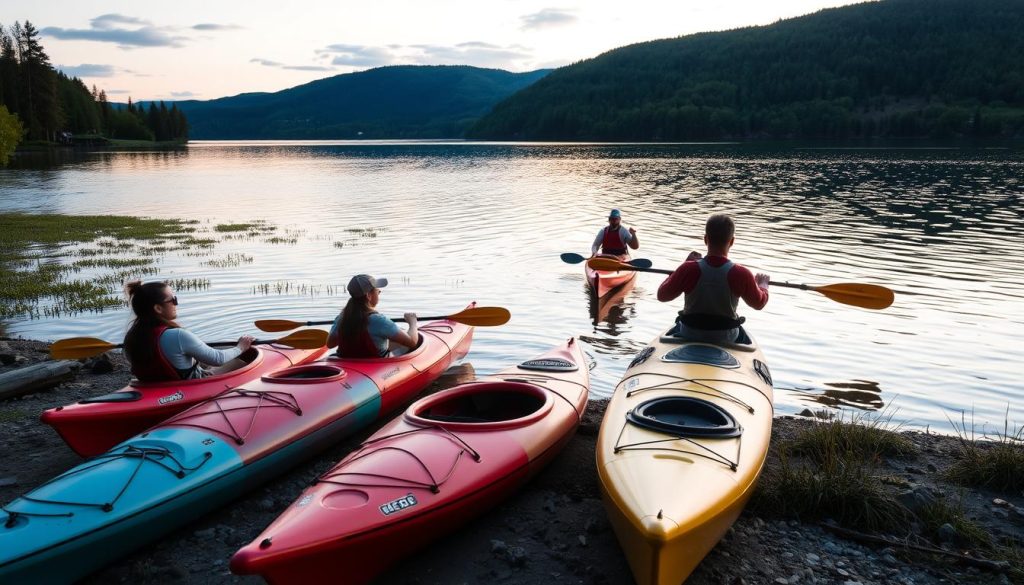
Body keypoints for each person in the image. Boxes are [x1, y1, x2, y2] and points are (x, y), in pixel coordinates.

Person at [657, 214, 770, 344]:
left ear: (705, 239)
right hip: (726, 336)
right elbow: (759, 303)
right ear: (732, 241)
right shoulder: (741, 273)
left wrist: (681, 268)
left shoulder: (688, 268)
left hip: (690, 332)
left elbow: (662, 295)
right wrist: (763, 286)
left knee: (676, 325)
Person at [123, 280, 255, 381]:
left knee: (201, 361)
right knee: (239, 362)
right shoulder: (177, 335)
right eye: (173, 300)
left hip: (154, 384)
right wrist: (240, 347)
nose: (176, 304)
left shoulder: (131, 336)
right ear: (158, 308)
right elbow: (218, 359)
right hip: (188, 385)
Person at [327, 274, 419, 358]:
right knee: (405, 344)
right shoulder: (380, 321)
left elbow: (330, 344)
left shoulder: (342, 318)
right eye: (377, 291)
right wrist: (413, 322)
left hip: (348, 365)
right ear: (368, 295)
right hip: (375, 367)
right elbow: (412, 342)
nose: (379, 292)